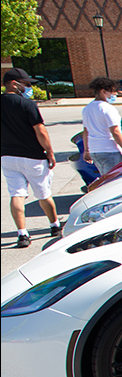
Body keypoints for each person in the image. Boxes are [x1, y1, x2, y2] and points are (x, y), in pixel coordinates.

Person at [1, 68, 60, 247]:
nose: (28, 88)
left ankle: (22, 234)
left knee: (16, 194)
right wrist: (49, 152)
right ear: (14, 84)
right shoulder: (27, 104)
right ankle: (55, 225)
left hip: (7, 156)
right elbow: (40, 131)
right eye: (26, 84)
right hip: (32, 156)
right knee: (43, 193)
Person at [82, 76, 122, 178]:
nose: (114, 94)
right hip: (109, 149)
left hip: (94, 150)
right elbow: (115, 131)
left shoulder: (87, 109)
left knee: (105, 178)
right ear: (103, 91)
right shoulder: (107, 108)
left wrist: (86, 150)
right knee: (114, 180)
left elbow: (86, 131)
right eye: (112, 91)